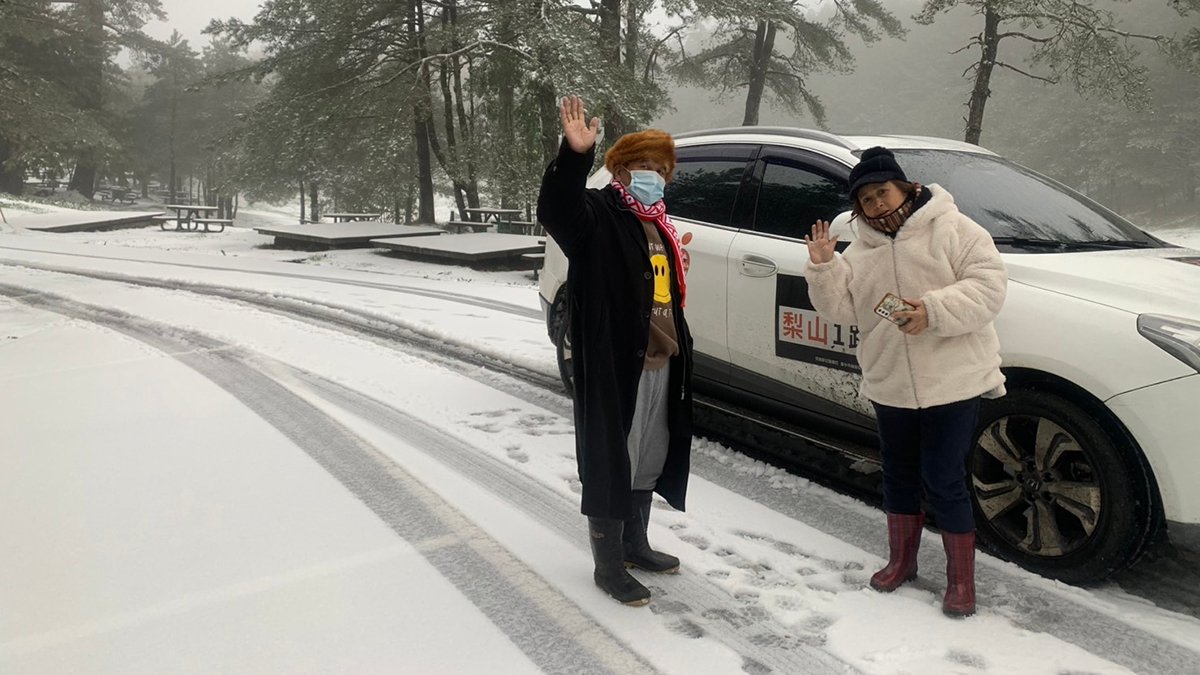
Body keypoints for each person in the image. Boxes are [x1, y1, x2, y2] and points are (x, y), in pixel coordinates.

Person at [804, 146, 1007, 617]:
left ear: (907, 188)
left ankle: (960, 582)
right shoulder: (859, 251)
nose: (877, 205)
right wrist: (823, 267)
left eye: (883, 193)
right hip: (890, 381)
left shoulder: (955, 229)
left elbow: (989, 287)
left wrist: (931, 311)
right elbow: (842, 310)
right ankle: (902, 562)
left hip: (953, 381)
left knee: (943, 478)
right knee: (897, 474)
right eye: (866, 200)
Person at [536, 96, 694, 606]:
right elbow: (557, 208)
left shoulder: (659, 223)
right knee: (612, 459)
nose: (653, 175)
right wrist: (575, 155)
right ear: (620, 171)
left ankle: (634, 543)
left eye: (660, 168)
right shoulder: (598, 214)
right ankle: (608, 566)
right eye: (642, 166)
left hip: (660, 358)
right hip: (614, 361)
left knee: (647, 455)